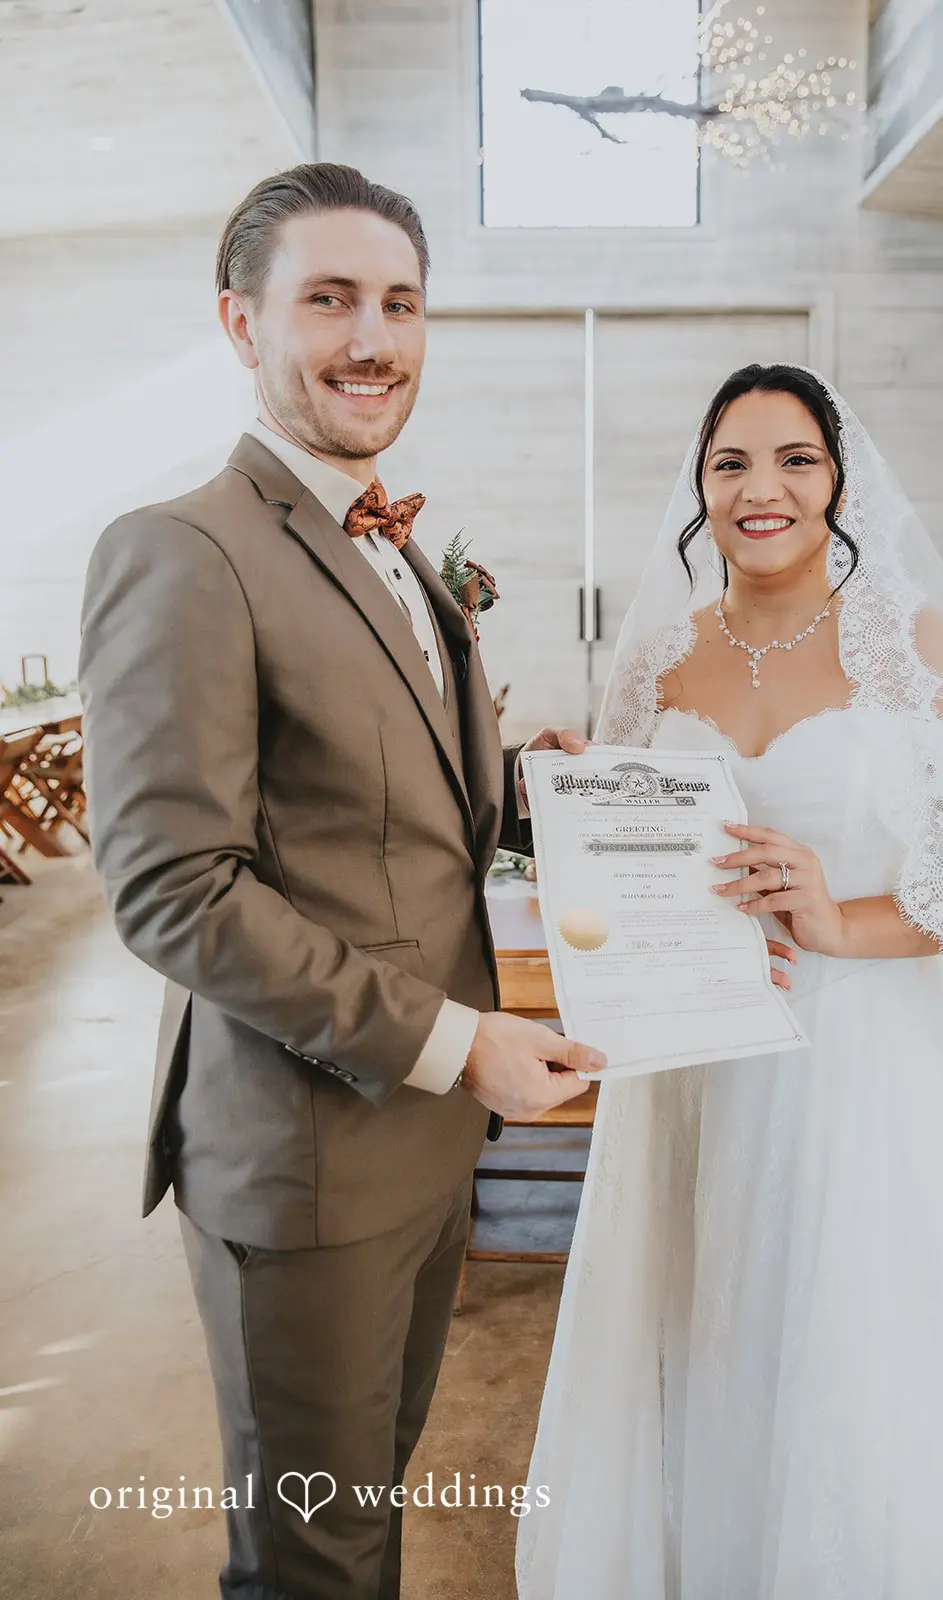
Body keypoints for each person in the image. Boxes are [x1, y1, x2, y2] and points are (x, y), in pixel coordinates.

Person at [79, 162, 606, 1600]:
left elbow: (390, 803)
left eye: (398, 302)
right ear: (242, 323)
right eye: (328, 299)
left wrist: (531, 784)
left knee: (368, 1519)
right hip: (304, 1157)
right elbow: (174, 886)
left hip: (430, 1145)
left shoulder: (393, 546)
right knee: (315, 1560)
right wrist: (456, 1042)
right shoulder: (183, 551)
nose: (372, 337)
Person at [516, 364, 943, 1598]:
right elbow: (630, 861)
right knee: (711, 1339)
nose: (759, 488)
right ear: (699, 489)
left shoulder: (917, 643)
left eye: (792, 460)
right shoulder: (660, 660)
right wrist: (576, 792)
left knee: (861, 1363)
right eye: (730, 464)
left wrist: (838, 916)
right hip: (701, 1070)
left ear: (837, 481)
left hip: (872, 1071)